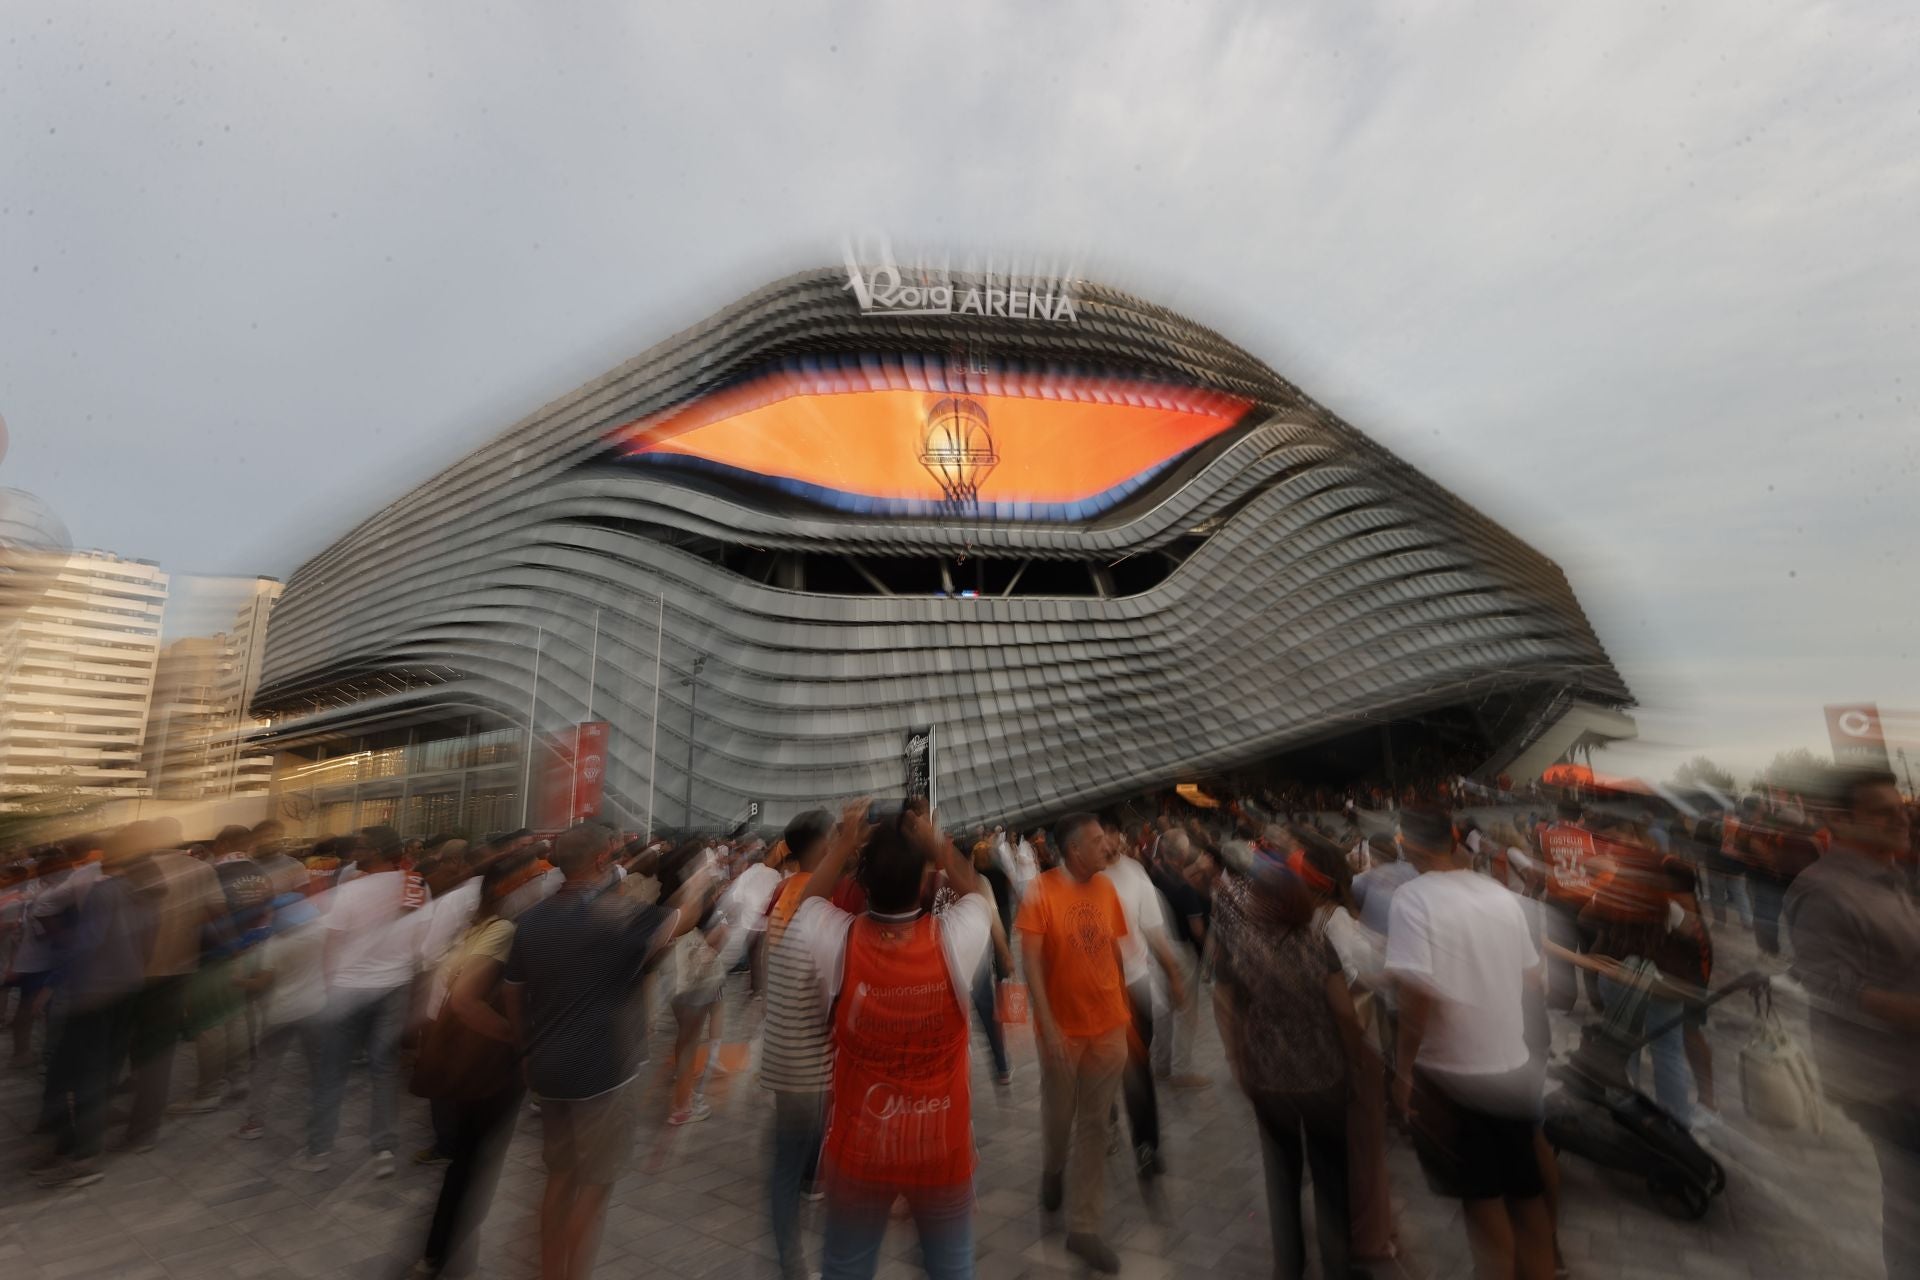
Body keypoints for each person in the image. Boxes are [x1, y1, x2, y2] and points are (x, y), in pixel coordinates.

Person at [789, 800, 993, 1280]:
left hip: (861, 1147)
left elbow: (806, 906)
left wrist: (843, 842)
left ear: (862, 883)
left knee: (846, 1269)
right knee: (952, 1270)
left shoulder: (839, 944)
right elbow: (980, 894)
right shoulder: (953, 941)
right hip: (941, 1146)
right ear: (923, 883)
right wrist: (937, 846)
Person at [504, 823, 709, 1280]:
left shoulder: (532, 920)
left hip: (548, 1070)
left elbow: (513, 992)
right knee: (594, 1189)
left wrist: (525, 1051)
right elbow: (686, 917)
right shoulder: (619, 915)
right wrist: (699, 878)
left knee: (559, 1179)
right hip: (605, 1072)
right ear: (600, 860)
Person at [1386, 807, 1554, 1280]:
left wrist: (1403, 1071)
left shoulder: (1412, 899)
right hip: (1512, 1066)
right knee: (1526, 1193)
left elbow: (1416, 996)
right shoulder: (1496, 893)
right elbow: (1532, 977)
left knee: (1482, 1202)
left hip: (1455, 1077)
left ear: (1409, 844)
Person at [1785, 767, 1918, 1279]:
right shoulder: (1825, 891)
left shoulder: (1889, 875)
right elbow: (1829, 987)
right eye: (1882, 813)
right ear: (1839, 820)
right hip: (1892, 1086)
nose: (1901, 819)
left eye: (1900, 809)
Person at [1213, 843, 1366, 1280]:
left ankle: (1289, 1266)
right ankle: (1338, 1266)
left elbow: (1224, 1005)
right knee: (1331, 1175)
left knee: (1281, 1176)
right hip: (1322, 1076)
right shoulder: (1317, 943)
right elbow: (1343, 1011)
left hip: (1268, 1080)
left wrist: (1236, 1059)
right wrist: (1354, 1058)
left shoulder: (1240, 946)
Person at [409, 850, 538, 1280]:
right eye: (533, 876)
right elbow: (465, 1000)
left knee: (468, 1162)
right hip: (486, 1065)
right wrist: (519, 1042)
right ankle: (441, 1254)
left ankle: (441, 1253)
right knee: (473, 1164)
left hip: (470, 1060)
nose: (542, 883)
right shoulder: (503, 930)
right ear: (509, 887)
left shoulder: (484, 924)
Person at [1017, 811, 1131, 1274]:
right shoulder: (1041, 892)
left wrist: (1123, 1013)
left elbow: (1113, 952)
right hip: (1062, 1033)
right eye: (1098, 840)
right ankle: (1052, 1168)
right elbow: (1031, 963)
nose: (1108, 845)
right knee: (1060, 1118)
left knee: (1095, 1126)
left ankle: (1084, 1228)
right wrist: (1048, 1027)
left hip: (1108, 1029)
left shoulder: (1107, 889)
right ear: (1075, 850)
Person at [310, 826, 427, 1177]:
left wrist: (328, 988)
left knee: (332, 1068)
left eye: (361, 846)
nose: (354, 851)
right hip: (395, 984)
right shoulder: (416, 884)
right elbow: (421, 936)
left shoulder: (351, 889)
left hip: (349, 987)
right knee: (384, 1067)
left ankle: (320, 1148)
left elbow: (332, 941)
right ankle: (384, 1150)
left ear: (378, 851)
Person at [760, 810, 837, 1280]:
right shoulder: (816, 900)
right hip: (806, 1050)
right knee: (788, 1159)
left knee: (798, 1144)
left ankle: (810, 1177)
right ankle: (792, 1261)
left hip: (788, 1043)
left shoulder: (785, 893)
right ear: (823, 846)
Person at [1099, 820, 1185, 1184]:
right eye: (1099, 836)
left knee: (1136, 1070)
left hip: (1134, 988)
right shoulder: (1075, 880)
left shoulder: (1134, 873)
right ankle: (1107, 1118)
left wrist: (1174, 973)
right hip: (1094, 994)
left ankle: (1146, 1145)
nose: (1108, 842)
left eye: (1111, 833)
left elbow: (1153, 929)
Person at [232, 886, 328, 1159]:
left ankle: (254, 1123)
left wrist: (238, 981)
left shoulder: (275, 944)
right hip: (315, 1007)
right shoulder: (320, 931)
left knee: (266, 1067)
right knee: (317, 1067)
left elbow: (260, 983)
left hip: (281, 1013)